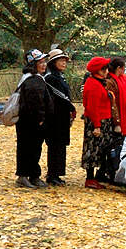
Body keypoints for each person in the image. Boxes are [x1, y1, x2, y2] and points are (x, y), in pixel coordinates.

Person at [15, 49, 53, 189]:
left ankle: (33, 176)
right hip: (30, 122)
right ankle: (23, 176)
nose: (44, 65)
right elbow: (35, 101)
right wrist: (40, 118)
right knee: (28, 148)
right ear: (33, 64)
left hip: (31, 121)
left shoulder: (35, 78)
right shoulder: (33, 80)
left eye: (44, 62)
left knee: (34, 149)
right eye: (40, 62)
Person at [81, 57, 115, 189]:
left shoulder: (100, 82)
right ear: (98, 70)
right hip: (97, 122)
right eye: (104, 69)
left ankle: (97, 176)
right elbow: (92, 107)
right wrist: (97, 126)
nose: (107, 71)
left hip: (103, 120)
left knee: (100, 150)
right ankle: (90, 178)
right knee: (92, 149)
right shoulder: (94, 84)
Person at [44, 49, 76, 186]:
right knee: (55, 146)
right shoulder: (50, 77)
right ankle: (52, 174)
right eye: (60, 60)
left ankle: (57, 173)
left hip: (62, 117)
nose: (64, 62)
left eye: (65, 60)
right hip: (54, 117)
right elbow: (60, 96)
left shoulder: (59, 76)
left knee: (61, 145)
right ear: (53, 62)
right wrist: (71, 107)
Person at [108, 57, 126, 135]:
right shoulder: (111, 81)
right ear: (118, 68)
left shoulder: (123, 79)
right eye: (123, 68)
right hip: (116, 114)